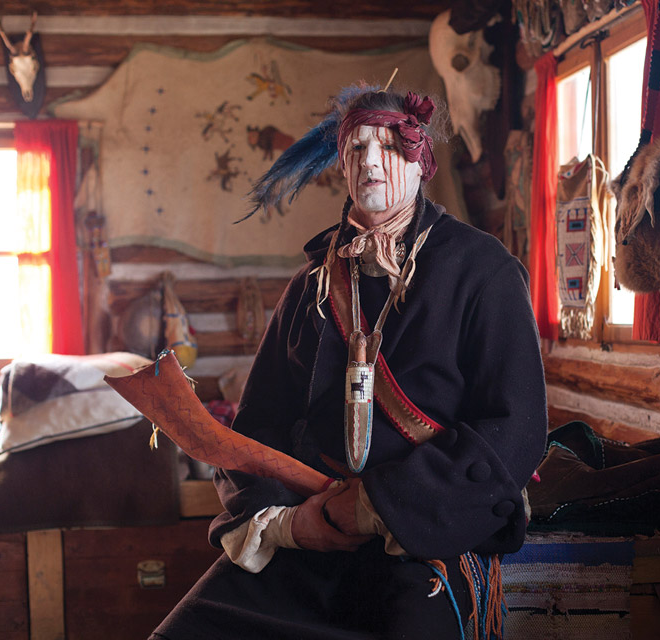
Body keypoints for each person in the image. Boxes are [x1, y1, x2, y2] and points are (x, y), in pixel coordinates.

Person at [151, 83, 547, 640]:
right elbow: (256, 429)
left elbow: (514, 433)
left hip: (423, 534)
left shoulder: (484, 271)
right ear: (341, 165)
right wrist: (290, 524)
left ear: (421, 160)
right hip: (307, 532)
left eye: (389, 147)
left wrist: (372, 507)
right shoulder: (309, 285)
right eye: (357, 150)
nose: (372, 163)